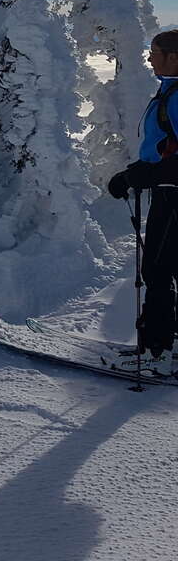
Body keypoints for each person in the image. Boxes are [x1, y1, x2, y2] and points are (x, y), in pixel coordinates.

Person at [108, 30, 178, 374]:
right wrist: (131, 174)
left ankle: (159, 352)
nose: (150, 58)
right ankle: (168, 345)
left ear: (174, 57)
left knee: (158, 270)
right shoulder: (169, 91)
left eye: (155, 52)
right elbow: (163, 146)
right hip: (167, 190)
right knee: (168, 269)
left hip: (173, 194)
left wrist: (145, 176)